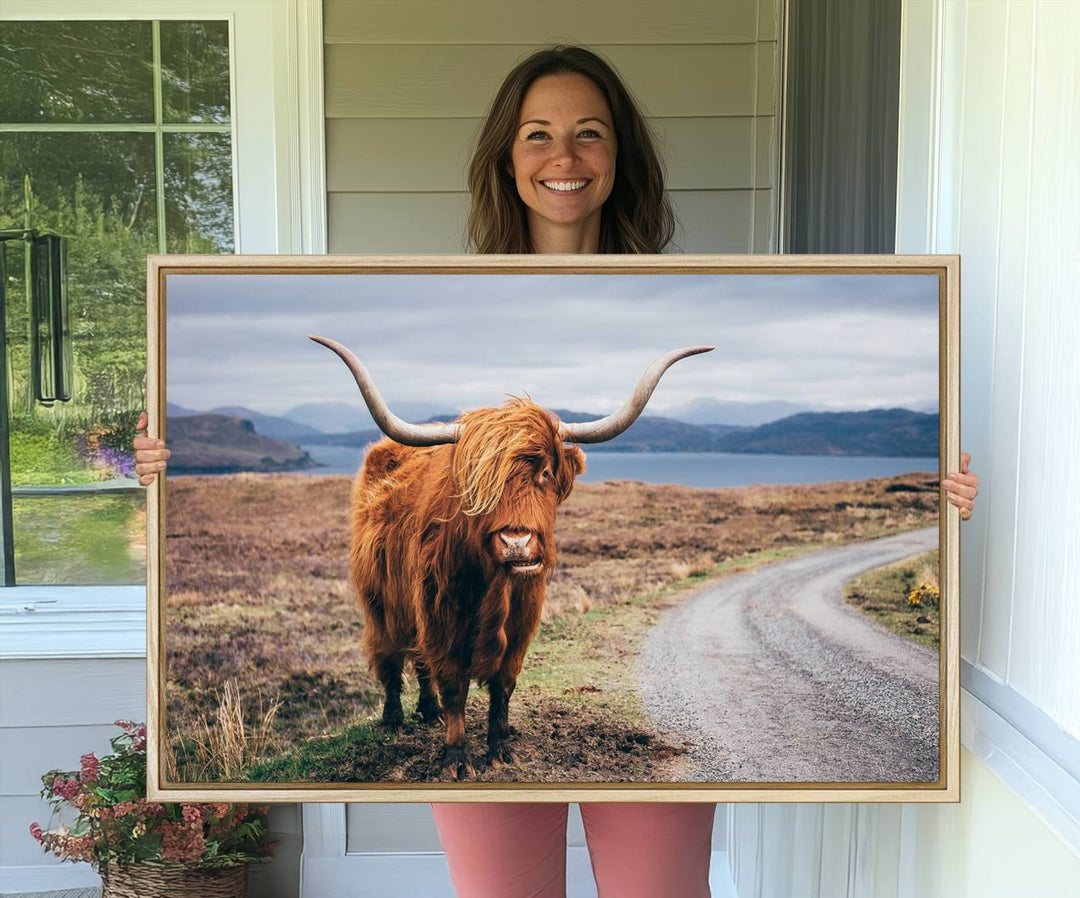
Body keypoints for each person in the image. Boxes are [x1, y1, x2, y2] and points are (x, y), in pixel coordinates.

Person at [134, 45, 979, 898]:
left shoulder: (697, 289)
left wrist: (943, 500)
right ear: (507, 156)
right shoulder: (435, 287)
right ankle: (456, 709)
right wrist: (158, 472)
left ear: (621, 156)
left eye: (589, 134)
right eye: (537, 134)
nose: (564, 157)